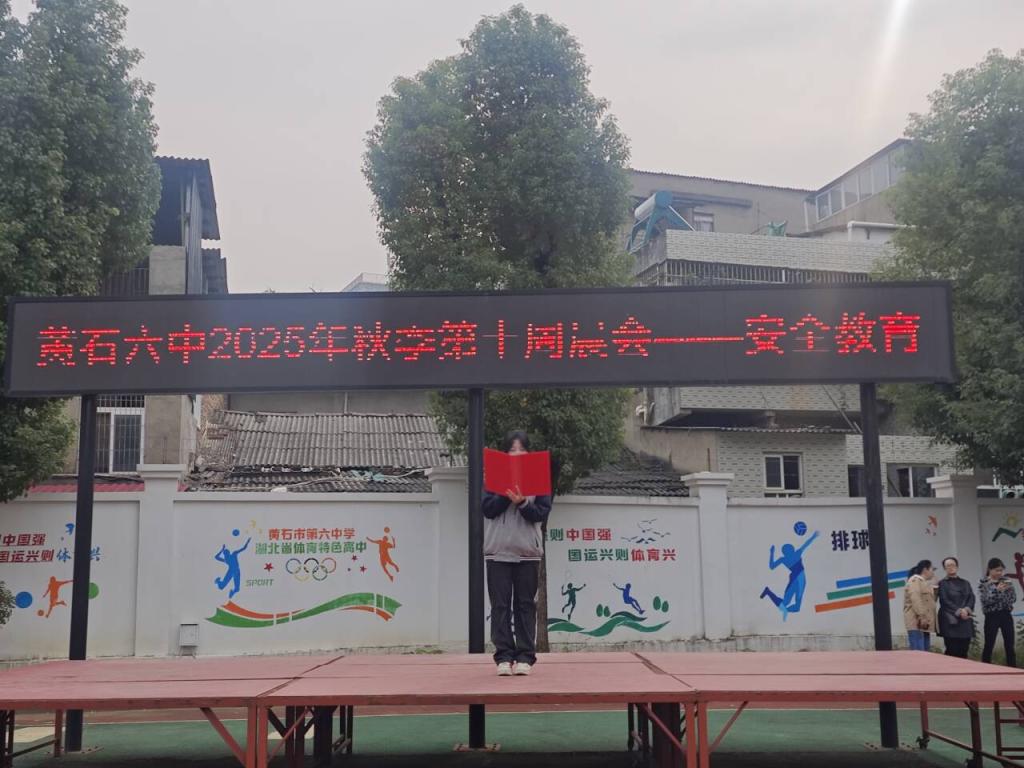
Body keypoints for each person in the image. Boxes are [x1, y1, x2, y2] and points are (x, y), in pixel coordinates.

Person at [482, 430, 552, 677]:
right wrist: (506, 493)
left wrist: (522, 502)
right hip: (498, 551)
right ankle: (503, 656)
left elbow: (541, 512)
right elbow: (487, 509)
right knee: (500, 606)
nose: (517, 453)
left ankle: (525, 656)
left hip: (527, 552)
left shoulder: (539, 476)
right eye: (512, 449)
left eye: (522, 449)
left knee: (525, 605)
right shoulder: (492, 477)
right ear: (505, 453)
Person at [759, 530, 820, 621]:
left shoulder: (785, 558)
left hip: (798, 579)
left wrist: (772, 552)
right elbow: (806, 544)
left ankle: (770, 594)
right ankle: (771, 595)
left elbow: (772, 566)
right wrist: (814, 536)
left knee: (792, 606)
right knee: (791, 605)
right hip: (798, 579)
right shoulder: (795, 554)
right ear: (790, 550)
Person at [978, 557, 1017, 667]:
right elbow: (985, 601)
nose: (999, 573)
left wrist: (997, 596)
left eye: (1001, 570)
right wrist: (997, 591)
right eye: (997, 570)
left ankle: (1012, 668)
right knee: (989, 643)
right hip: (991, 615)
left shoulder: (1007, 581)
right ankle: (985, 667)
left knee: (1009, 644)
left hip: (1006, 614)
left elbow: (1012, 598)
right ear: (990, 570)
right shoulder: (983, 582)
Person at [937, 556, 975, 658]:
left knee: (964, 649)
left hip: (965, 619)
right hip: (950, 620)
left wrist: (966, 610)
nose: (951, 567)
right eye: (948, 566)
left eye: (952, 565)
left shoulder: (965, 583)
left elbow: (971, 598)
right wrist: (959, 611)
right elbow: (944, 600)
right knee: (952, 650)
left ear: (957, 566)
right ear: (944, 569)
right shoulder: (942, 583)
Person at [903, 560, 936, 651]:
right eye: (932, 569)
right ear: (925, 570)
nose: (933, 572)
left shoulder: (923, 583)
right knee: (919, 653)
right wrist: (922, 616)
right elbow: (916, 599)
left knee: (925, 653)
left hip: (924, 624)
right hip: (917, 623)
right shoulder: (915, 581)